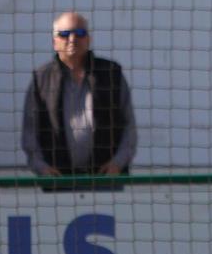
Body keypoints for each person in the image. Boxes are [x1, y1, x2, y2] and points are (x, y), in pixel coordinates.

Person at [21, 12, 137, 178]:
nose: (72, 39)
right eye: (64, 34)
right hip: (58, 181)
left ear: (88, 39)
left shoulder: (111, 74)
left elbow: (129, 126)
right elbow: (30, 132)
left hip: (105, 180)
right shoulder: (41, 80)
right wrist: (42, 168)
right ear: (54, 42)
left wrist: (118, 163)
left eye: (80, 33)